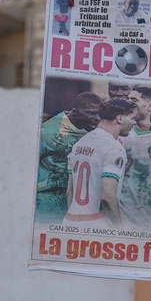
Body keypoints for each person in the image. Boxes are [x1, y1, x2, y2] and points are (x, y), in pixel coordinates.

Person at [63, 97, 135, 228]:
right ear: (119, 119)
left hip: (69, 221)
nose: (134, 123)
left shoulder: (80, 143)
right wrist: (120, 229)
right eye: (132, 118)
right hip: (95, 223)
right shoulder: (114, 148)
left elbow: (70, 192)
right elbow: (108, 197)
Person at [36, 92, 102, 223]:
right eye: (90, 113)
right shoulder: (48, 131)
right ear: (75, 112)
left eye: (99, 113)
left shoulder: (97, 131)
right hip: (47, 205)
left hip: (79, 205)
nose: (96, 118)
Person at [119, 85, 151, 231]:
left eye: (134, 100)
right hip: (119, 212)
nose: (128, 103)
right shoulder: (120, 131)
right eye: (128, 99)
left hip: (148, 216)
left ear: (150, 106)